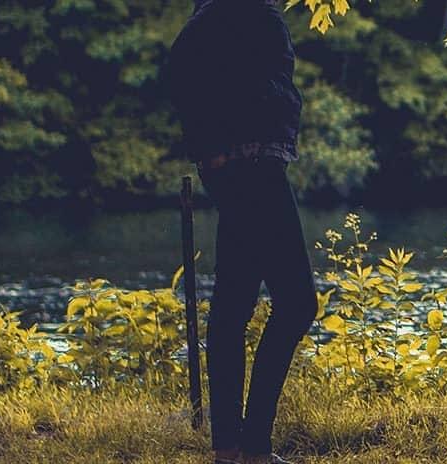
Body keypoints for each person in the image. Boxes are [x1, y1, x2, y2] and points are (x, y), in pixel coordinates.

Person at [162, 1, 315, 463]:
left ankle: (232, 448)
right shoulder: (226, 10)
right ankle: (252, 448)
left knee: (234, 302)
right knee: (297, 303)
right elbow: (182, 72)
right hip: (251, 165)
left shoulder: (238, 11)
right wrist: (212, 148)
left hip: (250, 162)